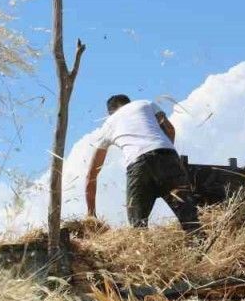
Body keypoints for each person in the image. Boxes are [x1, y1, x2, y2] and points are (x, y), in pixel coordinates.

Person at [85, 94, 200, 230]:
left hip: (138, 165)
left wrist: (91, 214)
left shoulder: (108, 124)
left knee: (138, 226)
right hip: (166, 155)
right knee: (190, 219)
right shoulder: (145, 103)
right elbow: (169, 129)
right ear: (129, 103)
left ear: (109, 113)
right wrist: (169, 159)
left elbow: (91, 175)